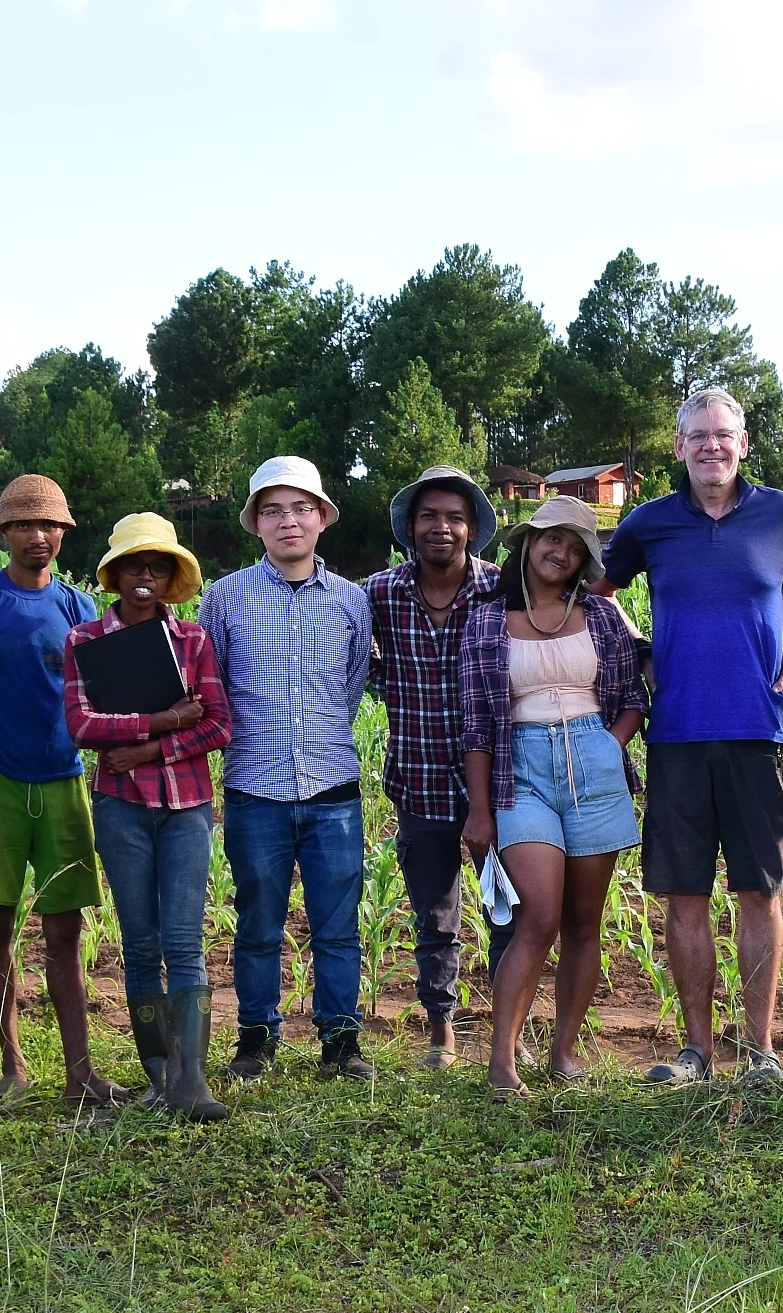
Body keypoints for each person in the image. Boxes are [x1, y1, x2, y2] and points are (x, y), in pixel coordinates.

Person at [598, 386, 783, 1087]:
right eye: (697, 435)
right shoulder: (650, 524)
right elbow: (599, 597)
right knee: (685, 897)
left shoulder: (782, 513)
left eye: (724, 434)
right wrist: (639, 647)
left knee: (759, 894)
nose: (711, 446)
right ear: (678, 447)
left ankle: (762, 1054)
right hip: (676, 734)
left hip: (759, 732)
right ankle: (697, 1053)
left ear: (743, 444)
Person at [458, 496, 650, 1093]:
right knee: (536, 918)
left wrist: (611, 744)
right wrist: (480, 807)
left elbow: (635, 692)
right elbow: (474, 719)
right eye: (549, 538)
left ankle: (564, 1053)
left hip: (594, 762)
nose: (558, 551)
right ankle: (502, 1061)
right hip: (521, 766)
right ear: (526, 545)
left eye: (572, 546)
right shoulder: (488, 619)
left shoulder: (602, 616)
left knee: (583, 921)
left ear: (581, 560)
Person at [203, 454, 375, 1083]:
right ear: (257, 524)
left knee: (336, 925)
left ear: (322, 518)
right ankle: (256, 1040)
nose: (288, 522)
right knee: (257, 925)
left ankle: (340, 1041)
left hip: (332, 787)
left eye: (301, 508)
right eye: (273, 511)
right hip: (255, 789)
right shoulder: (226, 598)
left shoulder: (352, 603)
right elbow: (212, 687)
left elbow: (352, 686)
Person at [0, 475, 122, 1107]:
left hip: (63, 780)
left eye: (49, 526)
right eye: (25, 525)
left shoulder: (77, 609)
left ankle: (81, 1071)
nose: (38, 537)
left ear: (63, 535)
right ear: (5, 534)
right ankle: (13, 1061)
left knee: (64, 931)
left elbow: (102, 696)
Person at [65, 513, 233, 1117]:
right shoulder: (84, 641)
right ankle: (161, 1075)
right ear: (115, 575)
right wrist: (167, 719)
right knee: (140, 944)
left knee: (185, 943)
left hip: (187, 805)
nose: (145, 575)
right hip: (122, 809)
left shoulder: (193, 640)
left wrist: (146, 747)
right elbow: (82, 724)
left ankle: (194, 1081)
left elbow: (217, 722)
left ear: (170, 577)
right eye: (134, 565)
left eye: (157, 566)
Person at [363, 463, 509, 1069]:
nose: (441, 527)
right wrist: (387, 684)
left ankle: (509, 1029)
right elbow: (351, 657)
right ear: (410, 527)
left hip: (501, 785)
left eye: (454, 517)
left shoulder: (503, 588)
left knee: (509, 910)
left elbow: (585, 611)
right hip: (419, 781)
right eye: (429, 517)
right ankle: (441, 1028)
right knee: (436, 913)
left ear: (472, 528)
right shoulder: (379, 593)